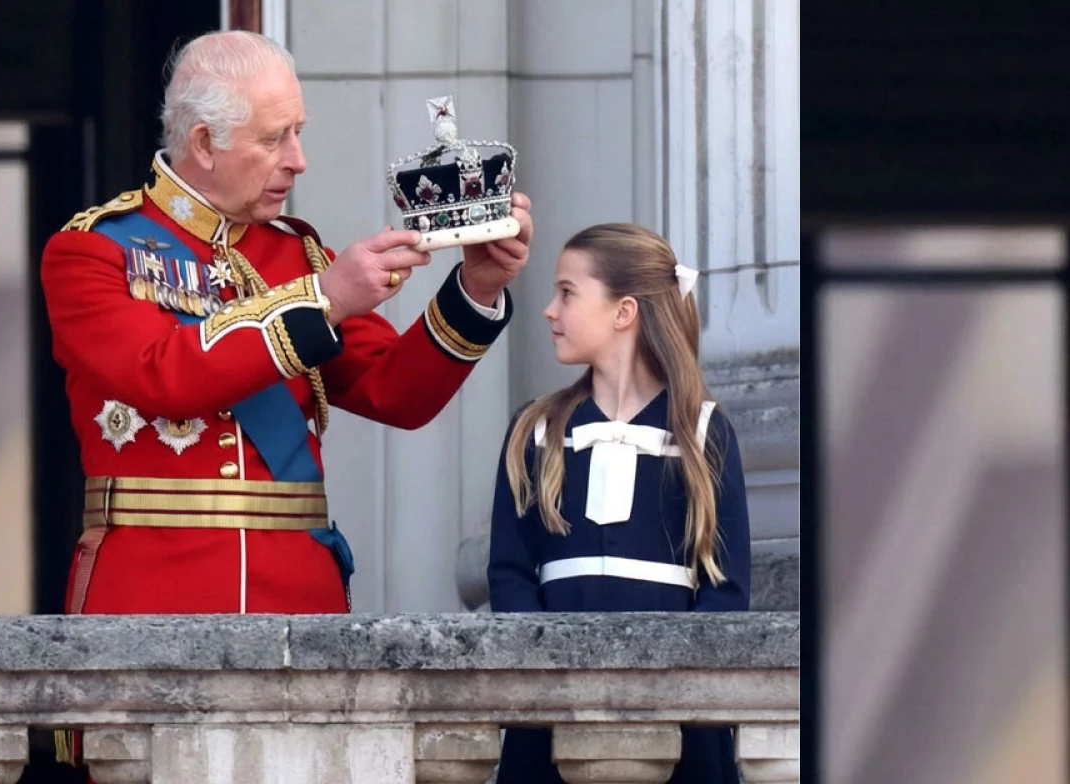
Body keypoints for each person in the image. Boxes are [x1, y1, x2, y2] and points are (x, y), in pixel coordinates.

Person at [39, 30, 533, 769]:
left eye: (297, 132)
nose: (298, 160)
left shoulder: (295, 254)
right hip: (154, 597)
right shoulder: (94, 251)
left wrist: (476, 290)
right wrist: (323, 301)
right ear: (204, 143)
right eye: (276, 139)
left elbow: (396, 391)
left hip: (298, 596)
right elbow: (160, 374)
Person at [487, 223, 751, 783]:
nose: (549, 311)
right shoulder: (534, 431)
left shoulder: (704, 432)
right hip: (551, 719)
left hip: (680, 729)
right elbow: (509, 574)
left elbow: (726, 591)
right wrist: (553, 669)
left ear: (623, 311)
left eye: (567, 293)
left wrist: (669, 683)